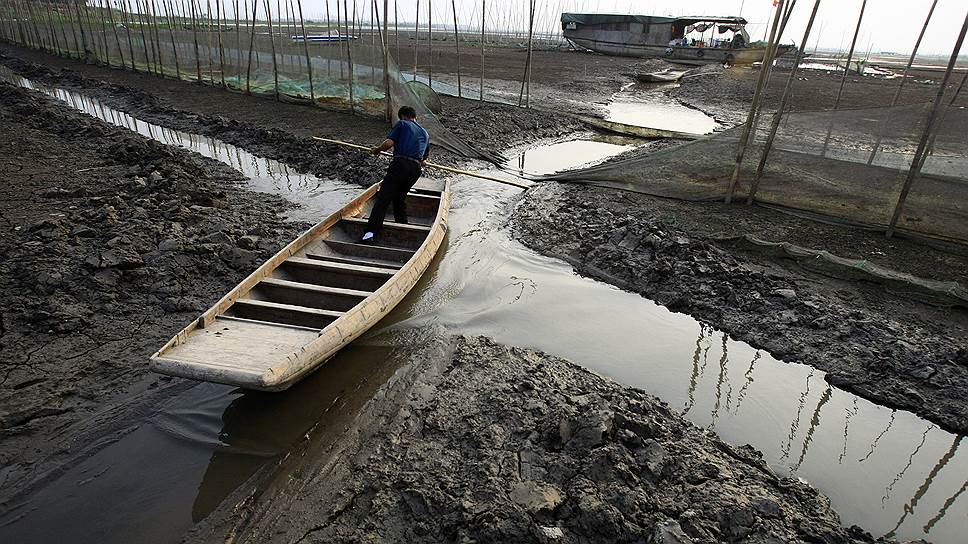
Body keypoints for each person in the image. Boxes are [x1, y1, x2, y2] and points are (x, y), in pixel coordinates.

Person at [361, 105, 431, 244]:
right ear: (414, 116)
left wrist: (377, 150)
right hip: (415, 170)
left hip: (400, 165)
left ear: (403, 116)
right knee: (399, 198)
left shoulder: (402, 124)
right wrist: (421, 161)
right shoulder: (425, 133)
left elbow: (388, 143)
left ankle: (369, 234)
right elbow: (423, 160)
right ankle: (403, 226)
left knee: (383, 199)